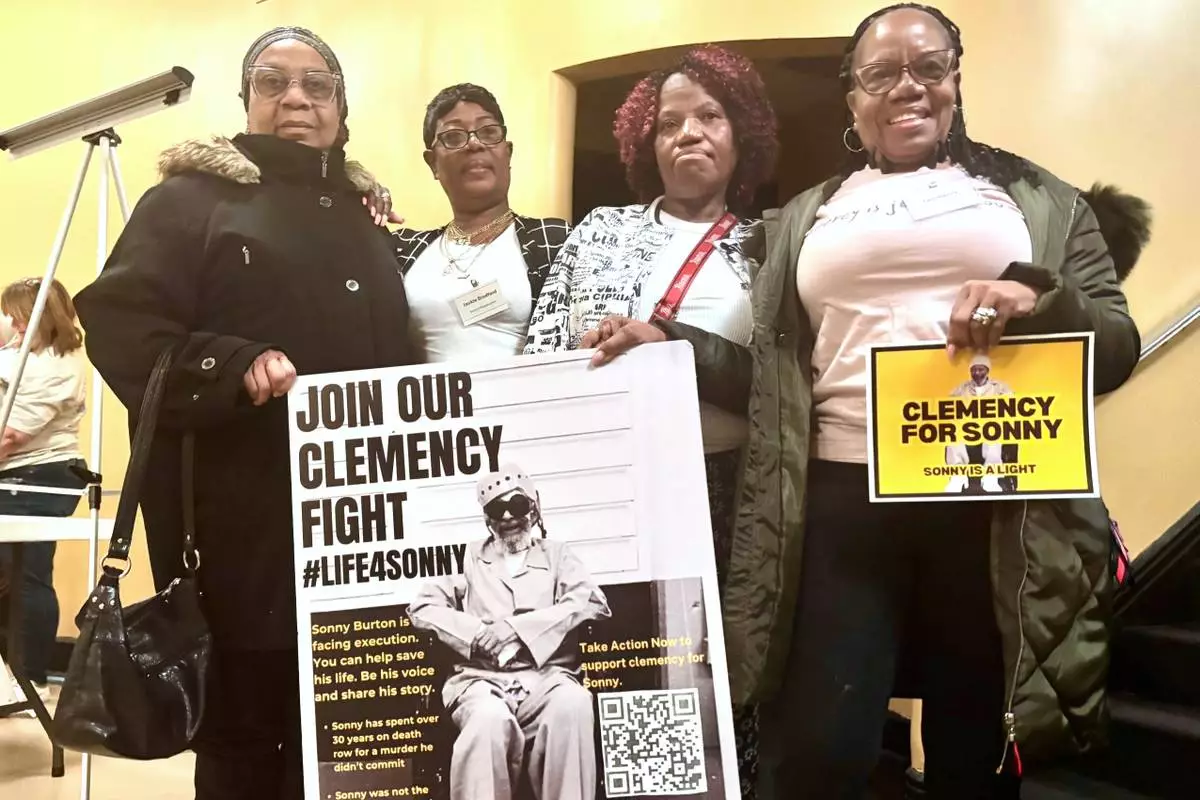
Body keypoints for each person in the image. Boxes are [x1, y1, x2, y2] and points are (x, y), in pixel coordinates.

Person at [581, 5, 1150, 798]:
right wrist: (672, 341)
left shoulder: (1039, 199)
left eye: (928, 67)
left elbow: (1117, 349)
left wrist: (1041, 300)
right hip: (838, 495)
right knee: (821, 752)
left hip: (988, 496)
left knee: (973, 752)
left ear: (956, 78)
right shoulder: (806, 215)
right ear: (852, 97)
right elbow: (776, 383)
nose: (906, 87)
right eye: (881, 73)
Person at [73, 26, 415, 799]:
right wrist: (229, 365)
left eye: (317, 85)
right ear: (246, 101)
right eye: (273, 82)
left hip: (362, 542)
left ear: (341, 107)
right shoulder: (190, 201)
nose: (296, 98)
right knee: (245, 748)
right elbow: (121, 324)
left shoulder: (366, 217)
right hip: (240, 542)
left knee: (353, 752)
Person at [524, 46, 778, 795]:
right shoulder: (599, 230)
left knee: (700, 675)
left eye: (710, 117)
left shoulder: (767, 247)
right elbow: (537, 351)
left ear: (741, 136)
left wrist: (672, 344)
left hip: (720, 494)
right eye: (669, 123)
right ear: (646, 142)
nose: (688, 133)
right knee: (611, 666)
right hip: (604, 490)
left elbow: (781, 388)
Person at [408, 464, 610, 800]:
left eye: (516, 505)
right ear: (487, 518)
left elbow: (591, 601)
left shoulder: (558, 555)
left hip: (548, 680)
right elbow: (422, 608)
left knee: (573, 705)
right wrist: (475, 633)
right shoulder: (467, 557)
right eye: (496, 509)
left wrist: (516, 630)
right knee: (487, 722)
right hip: (483, 682)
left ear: (533, 508)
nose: (508, 517)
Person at [393, 84, 570, 362]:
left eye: (488, 132)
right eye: (453, 137)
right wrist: (362, 190)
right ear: (432, 163)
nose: (474, 144)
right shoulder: (403, 251)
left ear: (507, 153)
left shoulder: (555, 241)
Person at [0, 278, 90, 703]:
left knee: (28, 574)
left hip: (38, 477)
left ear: (43, 317)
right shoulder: (26, 353)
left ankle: (29, 679)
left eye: (19, 317)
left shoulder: (55, 365)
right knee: (16, 575)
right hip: (21, 475)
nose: (13, 325)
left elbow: (9, 436)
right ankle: (15, 676)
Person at [945, 352, 1014, 493]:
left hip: (990, 426)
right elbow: (949, 404)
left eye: (980, 369)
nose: (977, 373)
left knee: (995, 435)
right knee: (953, 436)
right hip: (968, 428)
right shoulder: (961, 388)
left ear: (987, 370)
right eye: (974, 370)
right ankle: (958, 477)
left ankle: (991, 478)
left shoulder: (999, 387)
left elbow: (1011, 403)